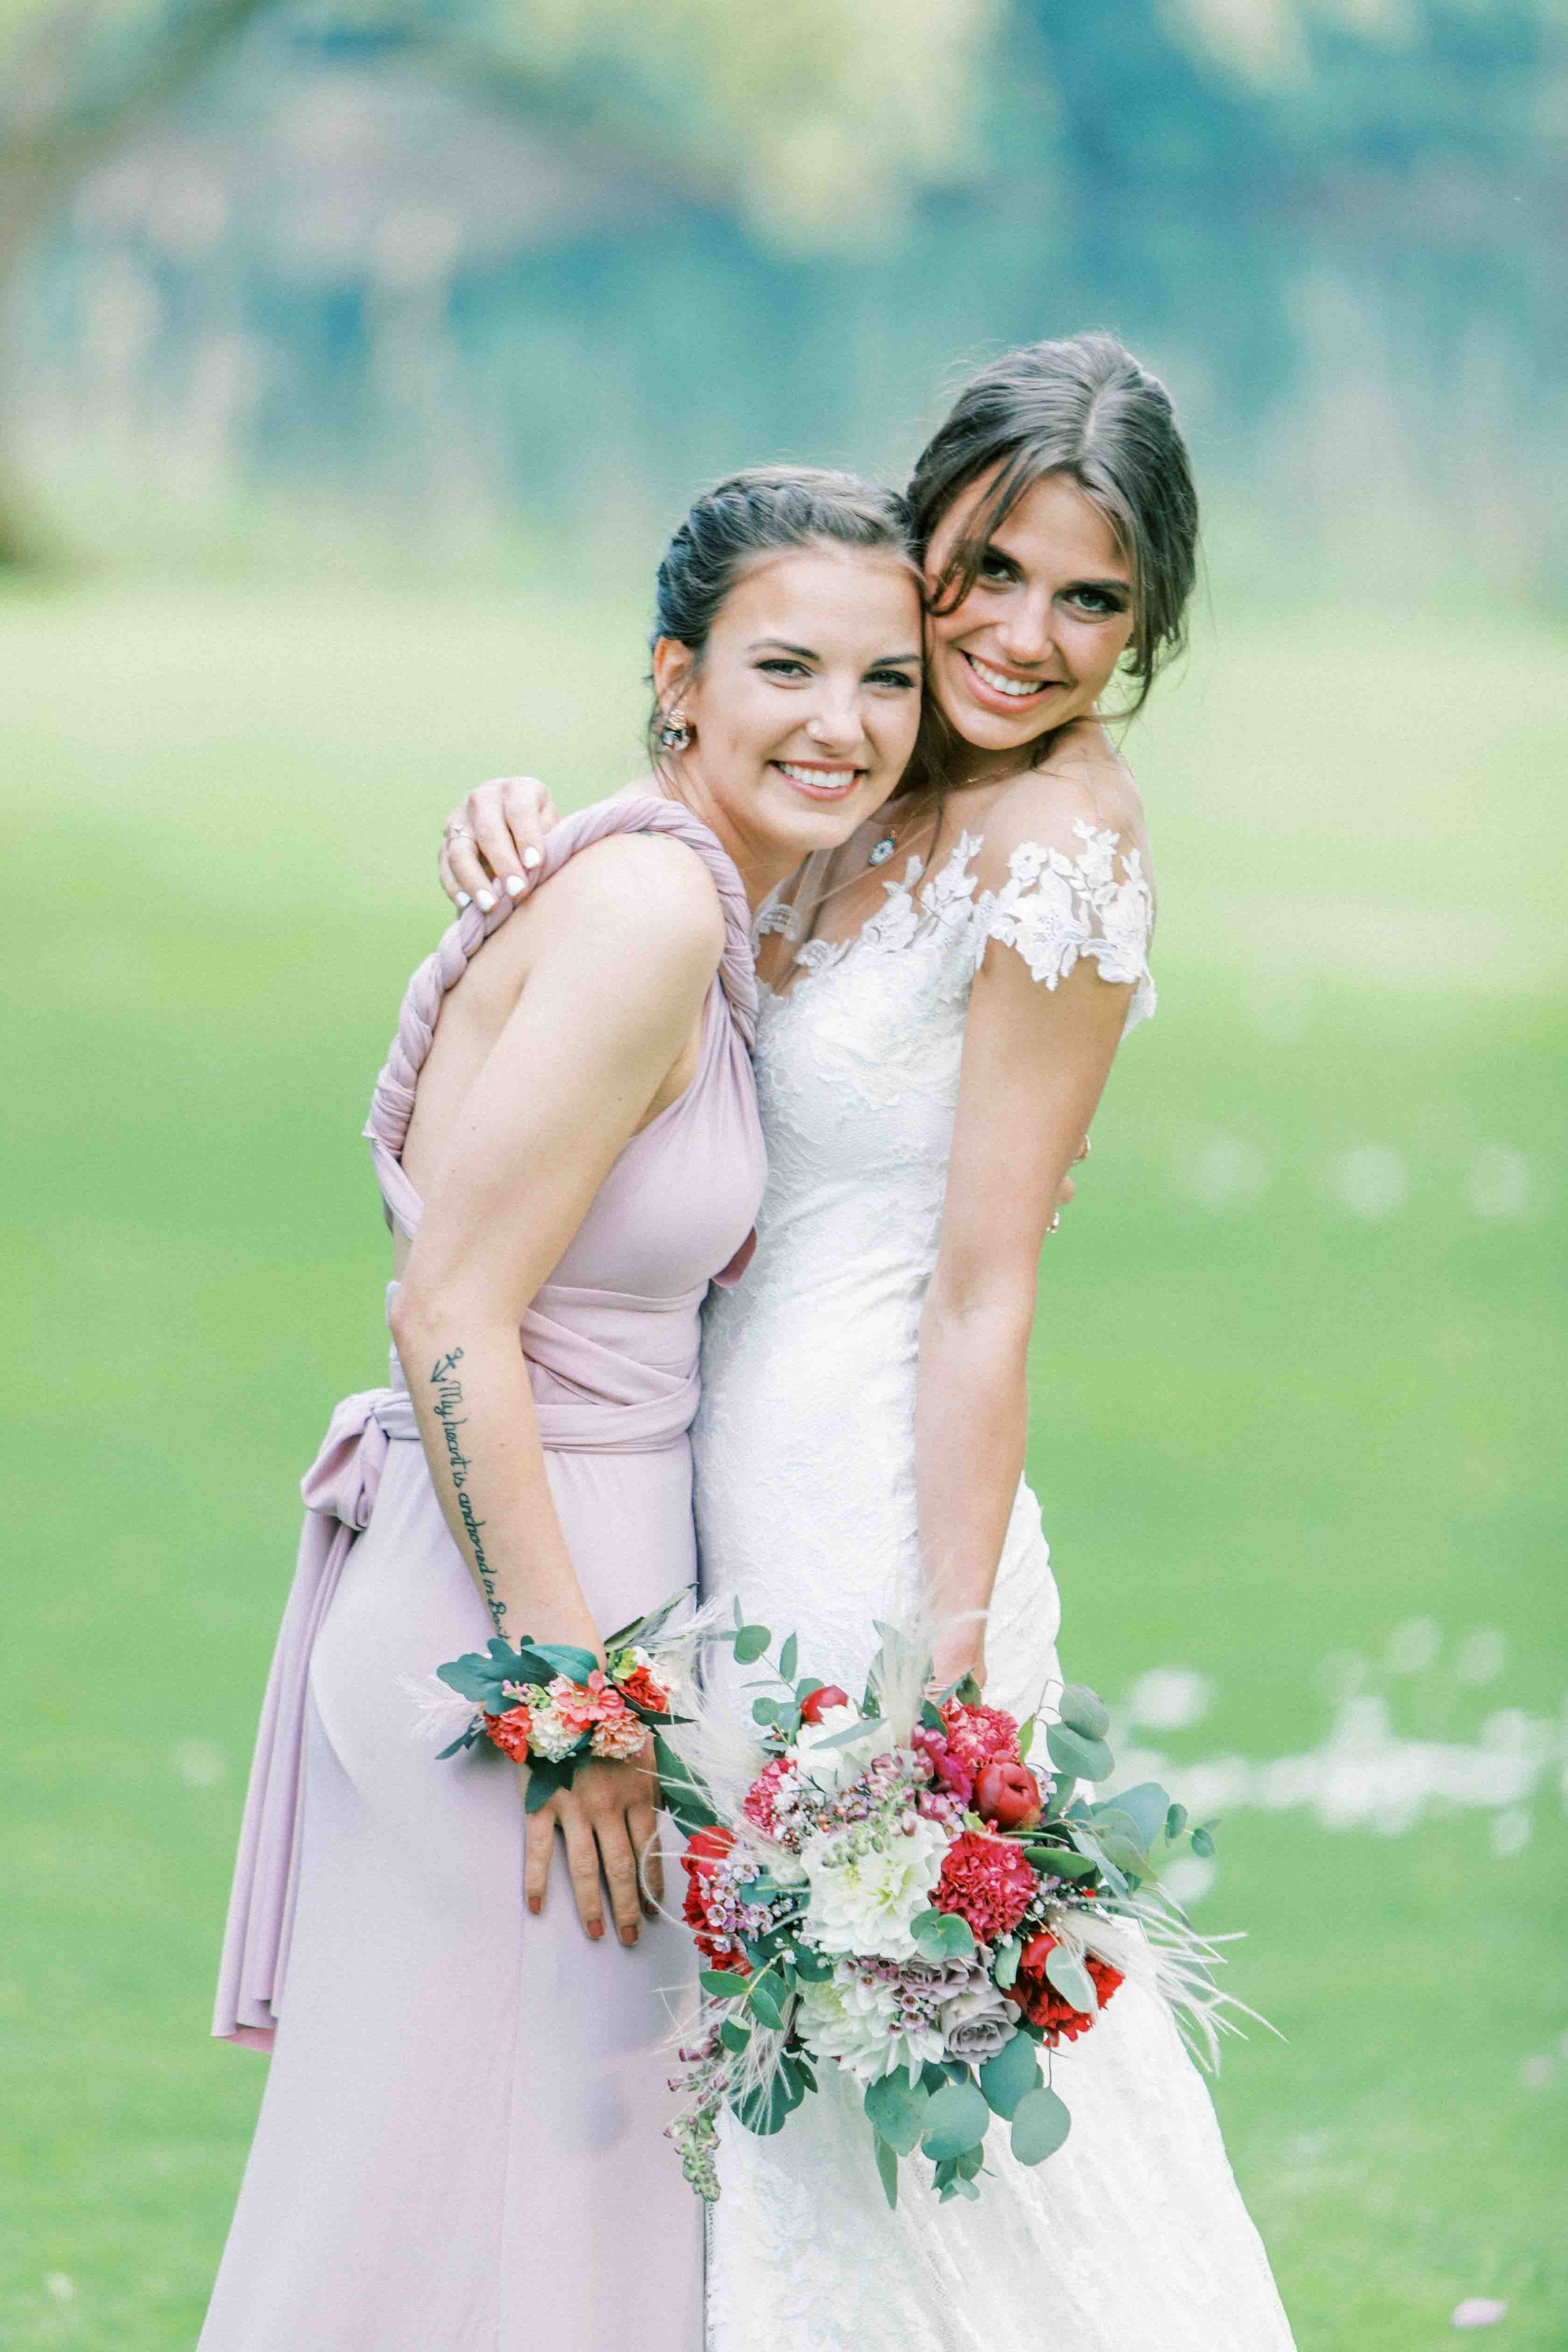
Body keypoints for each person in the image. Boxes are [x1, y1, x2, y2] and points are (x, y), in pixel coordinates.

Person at [435, 332, 1296, 2350]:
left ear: (1150, 620)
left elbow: (989, 1282)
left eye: (1093, 599)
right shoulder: (883, 773)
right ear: (921, 547)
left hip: (867, 1524)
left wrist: (950, 1661)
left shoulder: (1058, 843)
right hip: (697, 1477)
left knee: (913, 2109)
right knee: (749, 2079)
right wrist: (523, 826)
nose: (1023, 635)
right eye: (990, 571)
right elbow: (684, 896)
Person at [200, 468, 926, 2352]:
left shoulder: (666, 881)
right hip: (513, 1629)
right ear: (676, 677)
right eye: (788, 666)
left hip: (514, 1594)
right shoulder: (649, 916)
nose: (842, 724)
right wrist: (572, 1690)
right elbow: (451, 1303)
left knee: (461, 2232)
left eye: (886, 679)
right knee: (512, 2245)